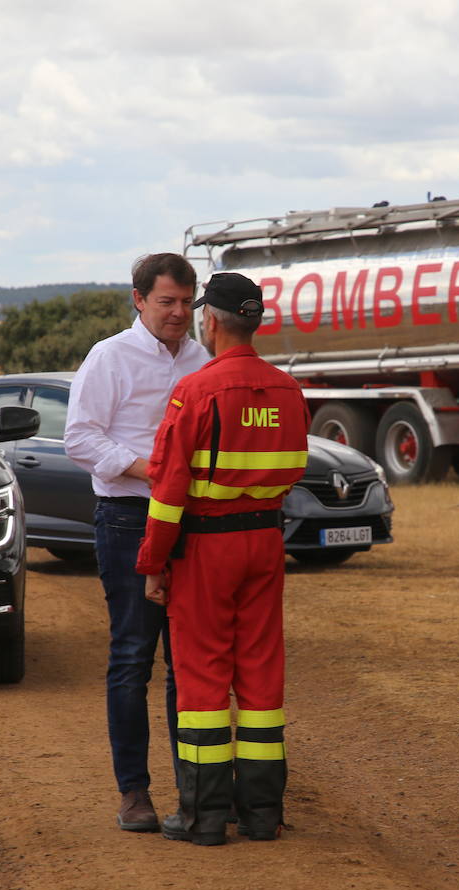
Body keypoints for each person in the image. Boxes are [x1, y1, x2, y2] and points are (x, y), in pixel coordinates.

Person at [135, 272, 310, 846]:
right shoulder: (287, 390)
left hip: (207, 547)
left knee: (203, 677)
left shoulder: (197, 390)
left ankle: (204, 817)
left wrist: (153, 564)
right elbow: (293, 473)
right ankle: (261, 814)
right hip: (264, 541)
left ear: (209, 320)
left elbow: (167, 490)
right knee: (261, 674)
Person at [63, 253, 209, 831]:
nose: (177, 313)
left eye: (185, 302)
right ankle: (134, 794)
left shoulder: (202, 361)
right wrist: (149, 470)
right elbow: (79, 437)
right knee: (131, 658)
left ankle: (192, 790)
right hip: (129, 518)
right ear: (139, 300)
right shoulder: (109, 357)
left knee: (187, 663)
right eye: (166, 301)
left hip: (194, 524)